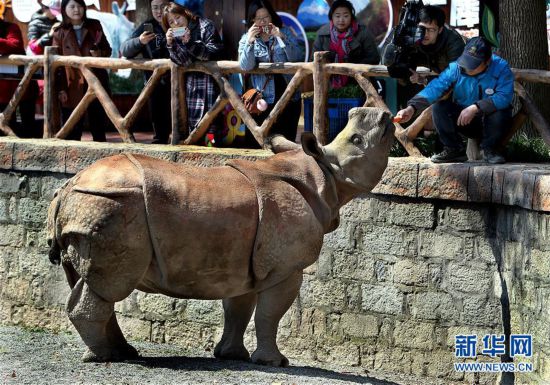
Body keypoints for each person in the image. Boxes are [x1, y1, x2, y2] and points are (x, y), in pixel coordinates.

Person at [394, 37, 514, 165]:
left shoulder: (501, 68)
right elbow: (435, 88)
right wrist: (411, 108)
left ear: (487, 61)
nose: (468, 68)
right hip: (467, 121)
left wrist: (475, 107)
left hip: (492, 123)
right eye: (466, 62)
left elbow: (504, 97)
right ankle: (454, 149)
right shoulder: (455, 67)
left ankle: (491, 150)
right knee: (439, 107)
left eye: (473, 64)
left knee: (501, 111)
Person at [238, 0, 304, 147]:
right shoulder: (246, 38)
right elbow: (245, 66)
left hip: (288, 95)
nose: (263, 22)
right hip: (262, 100)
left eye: (266, 17)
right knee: (262, 143)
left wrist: (281, 37)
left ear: (272, 16)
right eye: (259, 19)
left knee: (287, 143)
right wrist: (250, 41)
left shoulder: (284, 32)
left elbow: (297, 57)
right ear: (252, 20)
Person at [163, 1, 224, 146]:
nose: (176, 23)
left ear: (185, 13)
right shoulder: (176, 36)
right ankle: (195, 161)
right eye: (171, 22)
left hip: (212, 84)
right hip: (192, 88)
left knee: (211, 126)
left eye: (177, 17)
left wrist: (190, 43)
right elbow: (184, 62)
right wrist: (171, 45)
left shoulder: (205, 26)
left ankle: (212, 155)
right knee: (193, 127)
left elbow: (210, 53)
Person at [52, 0, 112, 141]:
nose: (76, 10)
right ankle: (70, 160)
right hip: (71, 84)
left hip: (95, 80)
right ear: (64, 9)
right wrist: (61, 89)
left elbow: (108, 50)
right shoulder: (59, 32)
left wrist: (100, 54)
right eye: (72, 6)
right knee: (72, 128)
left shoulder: (94, 25)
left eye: (79, 6)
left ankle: (101, 159)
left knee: (98, 127)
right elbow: (56, 65)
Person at [121, 0, 171, 144]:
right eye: (155, 8)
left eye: (163, 7)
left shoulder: (177, 23)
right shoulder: (146, 27)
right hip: (155, 84)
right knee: (159, 126)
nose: (159, 11)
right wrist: (140, 41)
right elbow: (125, 49)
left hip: (182, 82)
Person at [313, 0, 380, 89]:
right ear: (331, 17)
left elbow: (374, 58)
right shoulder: (322, 34)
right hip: (329, 87)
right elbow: (313, 61)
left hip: (360, 85)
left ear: (351, 17)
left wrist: (351, 69)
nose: (341, 20)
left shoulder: (363, 32)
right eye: (337, 16)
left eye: (345, 16)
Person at [407, 5, 465, 86]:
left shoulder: (454, 42)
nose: (425, 34)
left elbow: (455, 77)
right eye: (422, 28)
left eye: (431, 30)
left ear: (440, 30)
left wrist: (424, 80)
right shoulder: (411, 35)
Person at [0, 19, 39, 138]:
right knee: (5, 130)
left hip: (22, 89)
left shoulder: (11, 27)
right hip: (2, 94)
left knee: (27, 129)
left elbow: (15, 45)